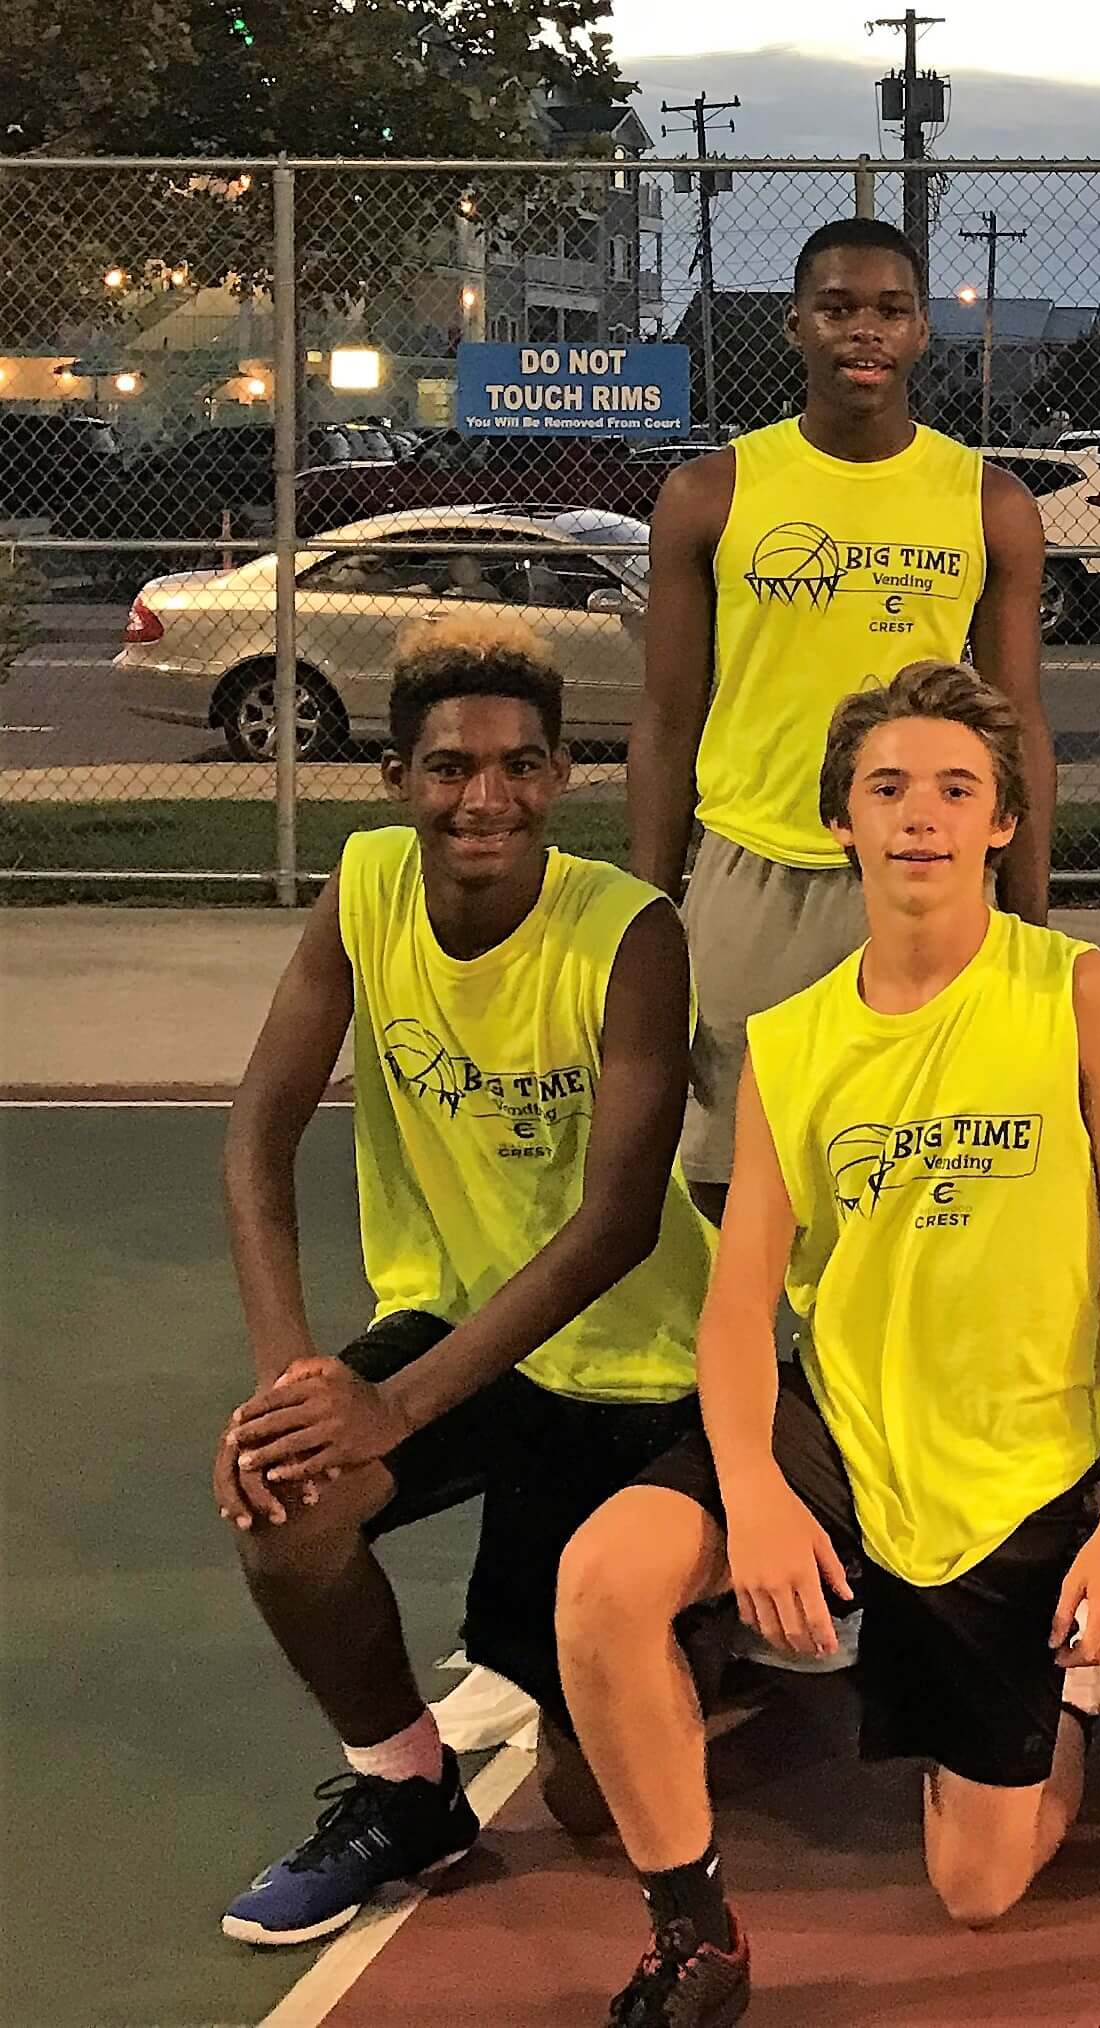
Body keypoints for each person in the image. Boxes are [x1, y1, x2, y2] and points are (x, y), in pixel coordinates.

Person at [556, 664, 1100, 2025]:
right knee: (604, 1582)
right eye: (887, 789)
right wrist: (756, 1492)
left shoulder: (1074, 993)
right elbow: (738, 1309)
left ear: (1005, 823)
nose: (920, 816)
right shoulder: (792, 1044)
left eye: (955, 789)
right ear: (839, 820)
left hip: (1022, 1455)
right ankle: (695, 1937)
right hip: (846, 1424)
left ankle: (1082, 1695)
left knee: (980, 1886)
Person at [212, 615, 714, 1946]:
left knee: (590, 1795)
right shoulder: (367, 891)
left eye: (515, 766)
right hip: (449, 1327)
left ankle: (706, 1621)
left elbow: (613, 1227)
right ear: (396, 780)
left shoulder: (630, 933)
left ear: (558, 778)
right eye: (447, 768)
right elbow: (258, 1136)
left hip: (625, 1356)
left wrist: (396, 1408)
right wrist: (295, 1386)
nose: (481, 798)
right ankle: (406, 1789)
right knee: (282, 1499)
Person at [628, 217, 1057, 1219]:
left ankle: (885, 1375)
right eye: (838, 308)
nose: (864, 329)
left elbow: (1019, 721)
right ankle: (744, 1376)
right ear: (795, 326)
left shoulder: (987, 500)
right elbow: (666, 717)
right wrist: (647, 913)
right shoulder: (711, 494)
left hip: (929, 869)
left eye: (889, 310)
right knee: (733, 1174)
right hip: (754, 865)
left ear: (918, 335)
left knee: (921, 1167)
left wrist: (1030, 917)